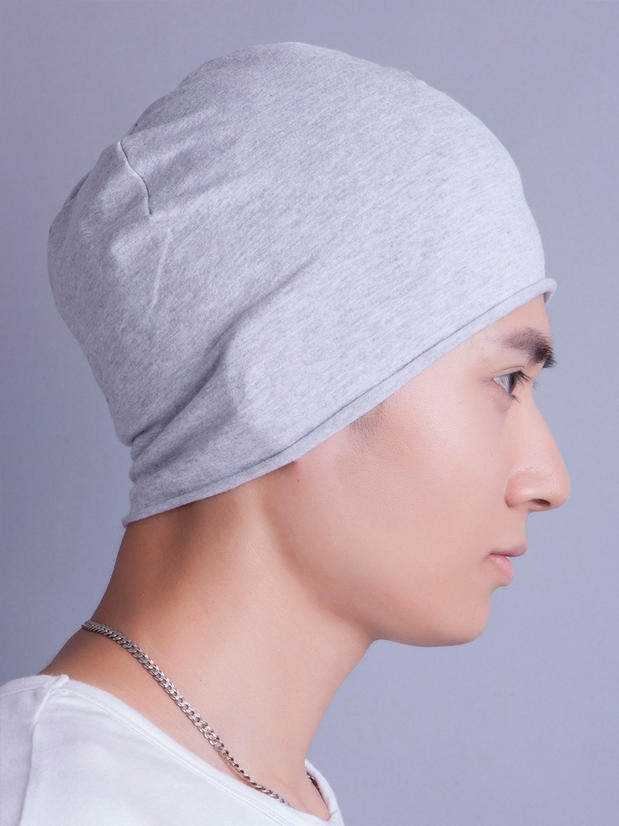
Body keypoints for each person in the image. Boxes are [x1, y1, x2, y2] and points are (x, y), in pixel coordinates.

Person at [0, 41, 570, 825]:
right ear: (289, 381)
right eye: (506, 381)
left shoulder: (234, 790)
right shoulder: (67, 805)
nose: (548, 480)